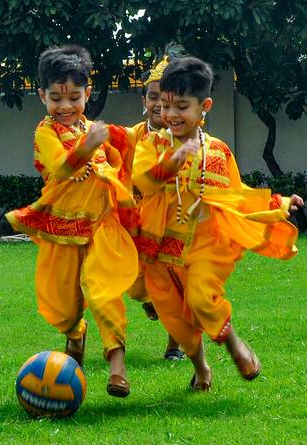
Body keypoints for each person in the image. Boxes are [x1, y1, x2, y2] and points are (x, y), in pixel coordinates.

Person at [133, 56, 303, 391]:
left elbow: (235, 196)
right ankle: (201, 369)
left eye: (182, 106)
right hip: (161, 250)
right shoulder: (152, 145)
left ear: (204, 106)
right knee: (178, 323)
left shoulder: (218, 152)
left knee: (200, 298)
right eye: (166, 106)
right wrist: (169, 164)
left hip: (206, 245)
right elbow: (143, 181)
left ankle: (234, 343)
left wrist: (276, 204)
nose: (171, 115)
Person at [6, 45, 138, 397]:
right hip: (61, 230)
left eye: (74, 97)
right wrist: (87, 146)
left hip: (101, 227)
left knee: (104, 291)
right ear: (41, 96)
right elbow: (62, 169)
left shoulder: (97, 131)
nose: (65, 107)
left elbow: (121, 159)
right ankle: (75, 334)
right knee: (64, 309)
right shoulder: (45, 133)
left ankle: (117, 367)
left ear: (88, 94)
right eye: (56, 98)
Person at [126, 50, 185, 361]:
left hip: (176, 225)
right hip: (137, 229)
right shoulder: (129, 137)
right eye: (153, 96)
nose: (160, 104)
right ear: (144, 100)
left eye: (168, 97)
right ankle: (150, 299)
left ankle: (174, 348)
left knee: (177, 287)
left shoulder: (189, 137)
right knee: (136, 288)